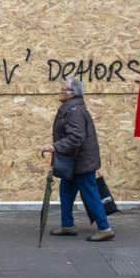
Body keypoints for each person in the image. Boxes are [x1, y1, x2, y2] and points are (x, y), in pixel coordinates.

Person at [41, 77, 115, 242]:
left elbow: (76, 137)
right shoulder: (71, 108)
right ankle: (67, 225)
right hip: (73, 161)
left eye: (63, 90)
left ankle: (105, 228)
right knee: (66, 192)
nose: (60, 92)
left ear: (72, 93)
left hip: (81, 162)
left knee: (90, 193)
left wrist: (55, 147)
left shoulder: (74, 111)